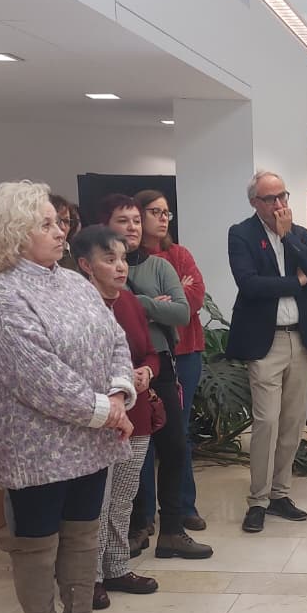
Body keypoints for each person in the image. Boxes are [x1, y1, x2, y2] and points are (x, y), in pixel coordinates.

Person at [0, 181, 135, 613]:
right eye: (45, 225)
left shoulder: (74, 282)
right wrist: (105, 410)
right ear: (14, 233)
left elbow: (116, 340)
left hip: (91, 437)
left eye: (58, 223)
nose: (60, 232)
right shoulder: (5, 291)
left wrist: (118, 392)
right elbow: (37, 374)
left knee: (84, 533)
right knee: (38, 542)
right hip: (38, 446)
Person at [102, 195, 211, 561]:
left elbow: (181, 312)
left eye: (136, 220)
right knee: (132, 453)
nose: (132, 227)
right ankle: (136, 527)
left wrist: (140, 303)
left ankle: (173, 531)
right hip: (116, 371)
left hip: (158, 365)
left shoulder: (159, 265)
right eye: (124, 220)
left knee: (174, 446)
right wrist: (153, 304)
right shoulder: (96, 270)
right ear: (106, 225)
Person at [225, 171, 307, 533]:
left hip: (301, 338)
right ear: (255, 202)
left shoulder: (298, 235)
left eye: (283, 196)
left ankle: (281, 493)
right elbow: (250, 284)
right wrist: (295, 282)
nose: (280, 204)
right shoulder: (241, 233)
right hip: (265, 341)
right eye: (271, 198)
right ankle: (258, 499)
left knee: (293, 422)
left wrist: (288, 239)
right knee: (267, 421)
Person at [72, 225, 163, 603]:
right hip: (98, 417)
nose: (120, 267)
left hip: (135, 413)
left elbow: (151, 353)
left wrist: (147, 372)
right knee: (99, 501)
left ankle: (117, 567)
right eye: (109, 259)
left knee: (124, 497)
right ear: (85, 265)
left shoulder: (129, 302)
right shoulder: (77, 306)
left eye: (123, 259)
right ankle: (90, 577)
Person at [136, 189, 208, 536]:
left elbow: (192, 300)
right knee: (145, 437)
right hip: (145, 357)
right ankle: (145, 514)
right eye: (155, 212)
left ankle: (183, 507)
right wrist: (163, 300)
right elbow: (127, 307)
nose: (163, 218)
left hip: (185, 354)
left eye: (166, 212)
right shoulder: (128, 260)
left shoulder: (178, 254)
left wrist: (150, 305)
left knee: (178, 433)